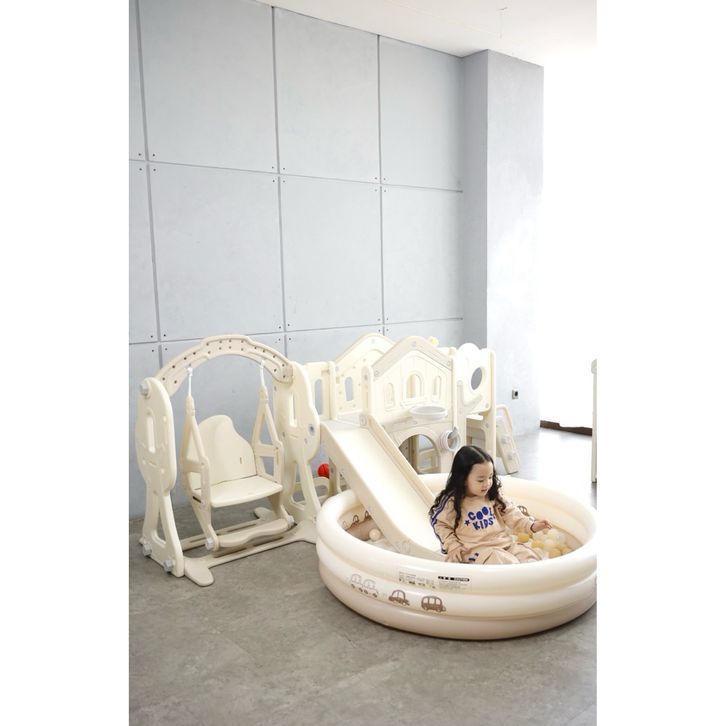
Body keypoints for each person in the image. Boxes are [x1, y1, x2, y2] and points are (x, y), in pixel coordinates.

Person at [429, 445, 551, 565]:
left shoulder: (492, 495)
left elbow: (511, 512)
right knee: (504, 562)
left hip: (504, 545)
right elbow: (440, 524)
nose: (487, 483)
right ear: (464, 479)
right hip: (476, 552)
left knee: (529, 557)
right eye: (481, 480)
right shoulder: (452, 502)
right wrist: (453, 546)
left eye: (490, 477)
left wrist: (531, 525)